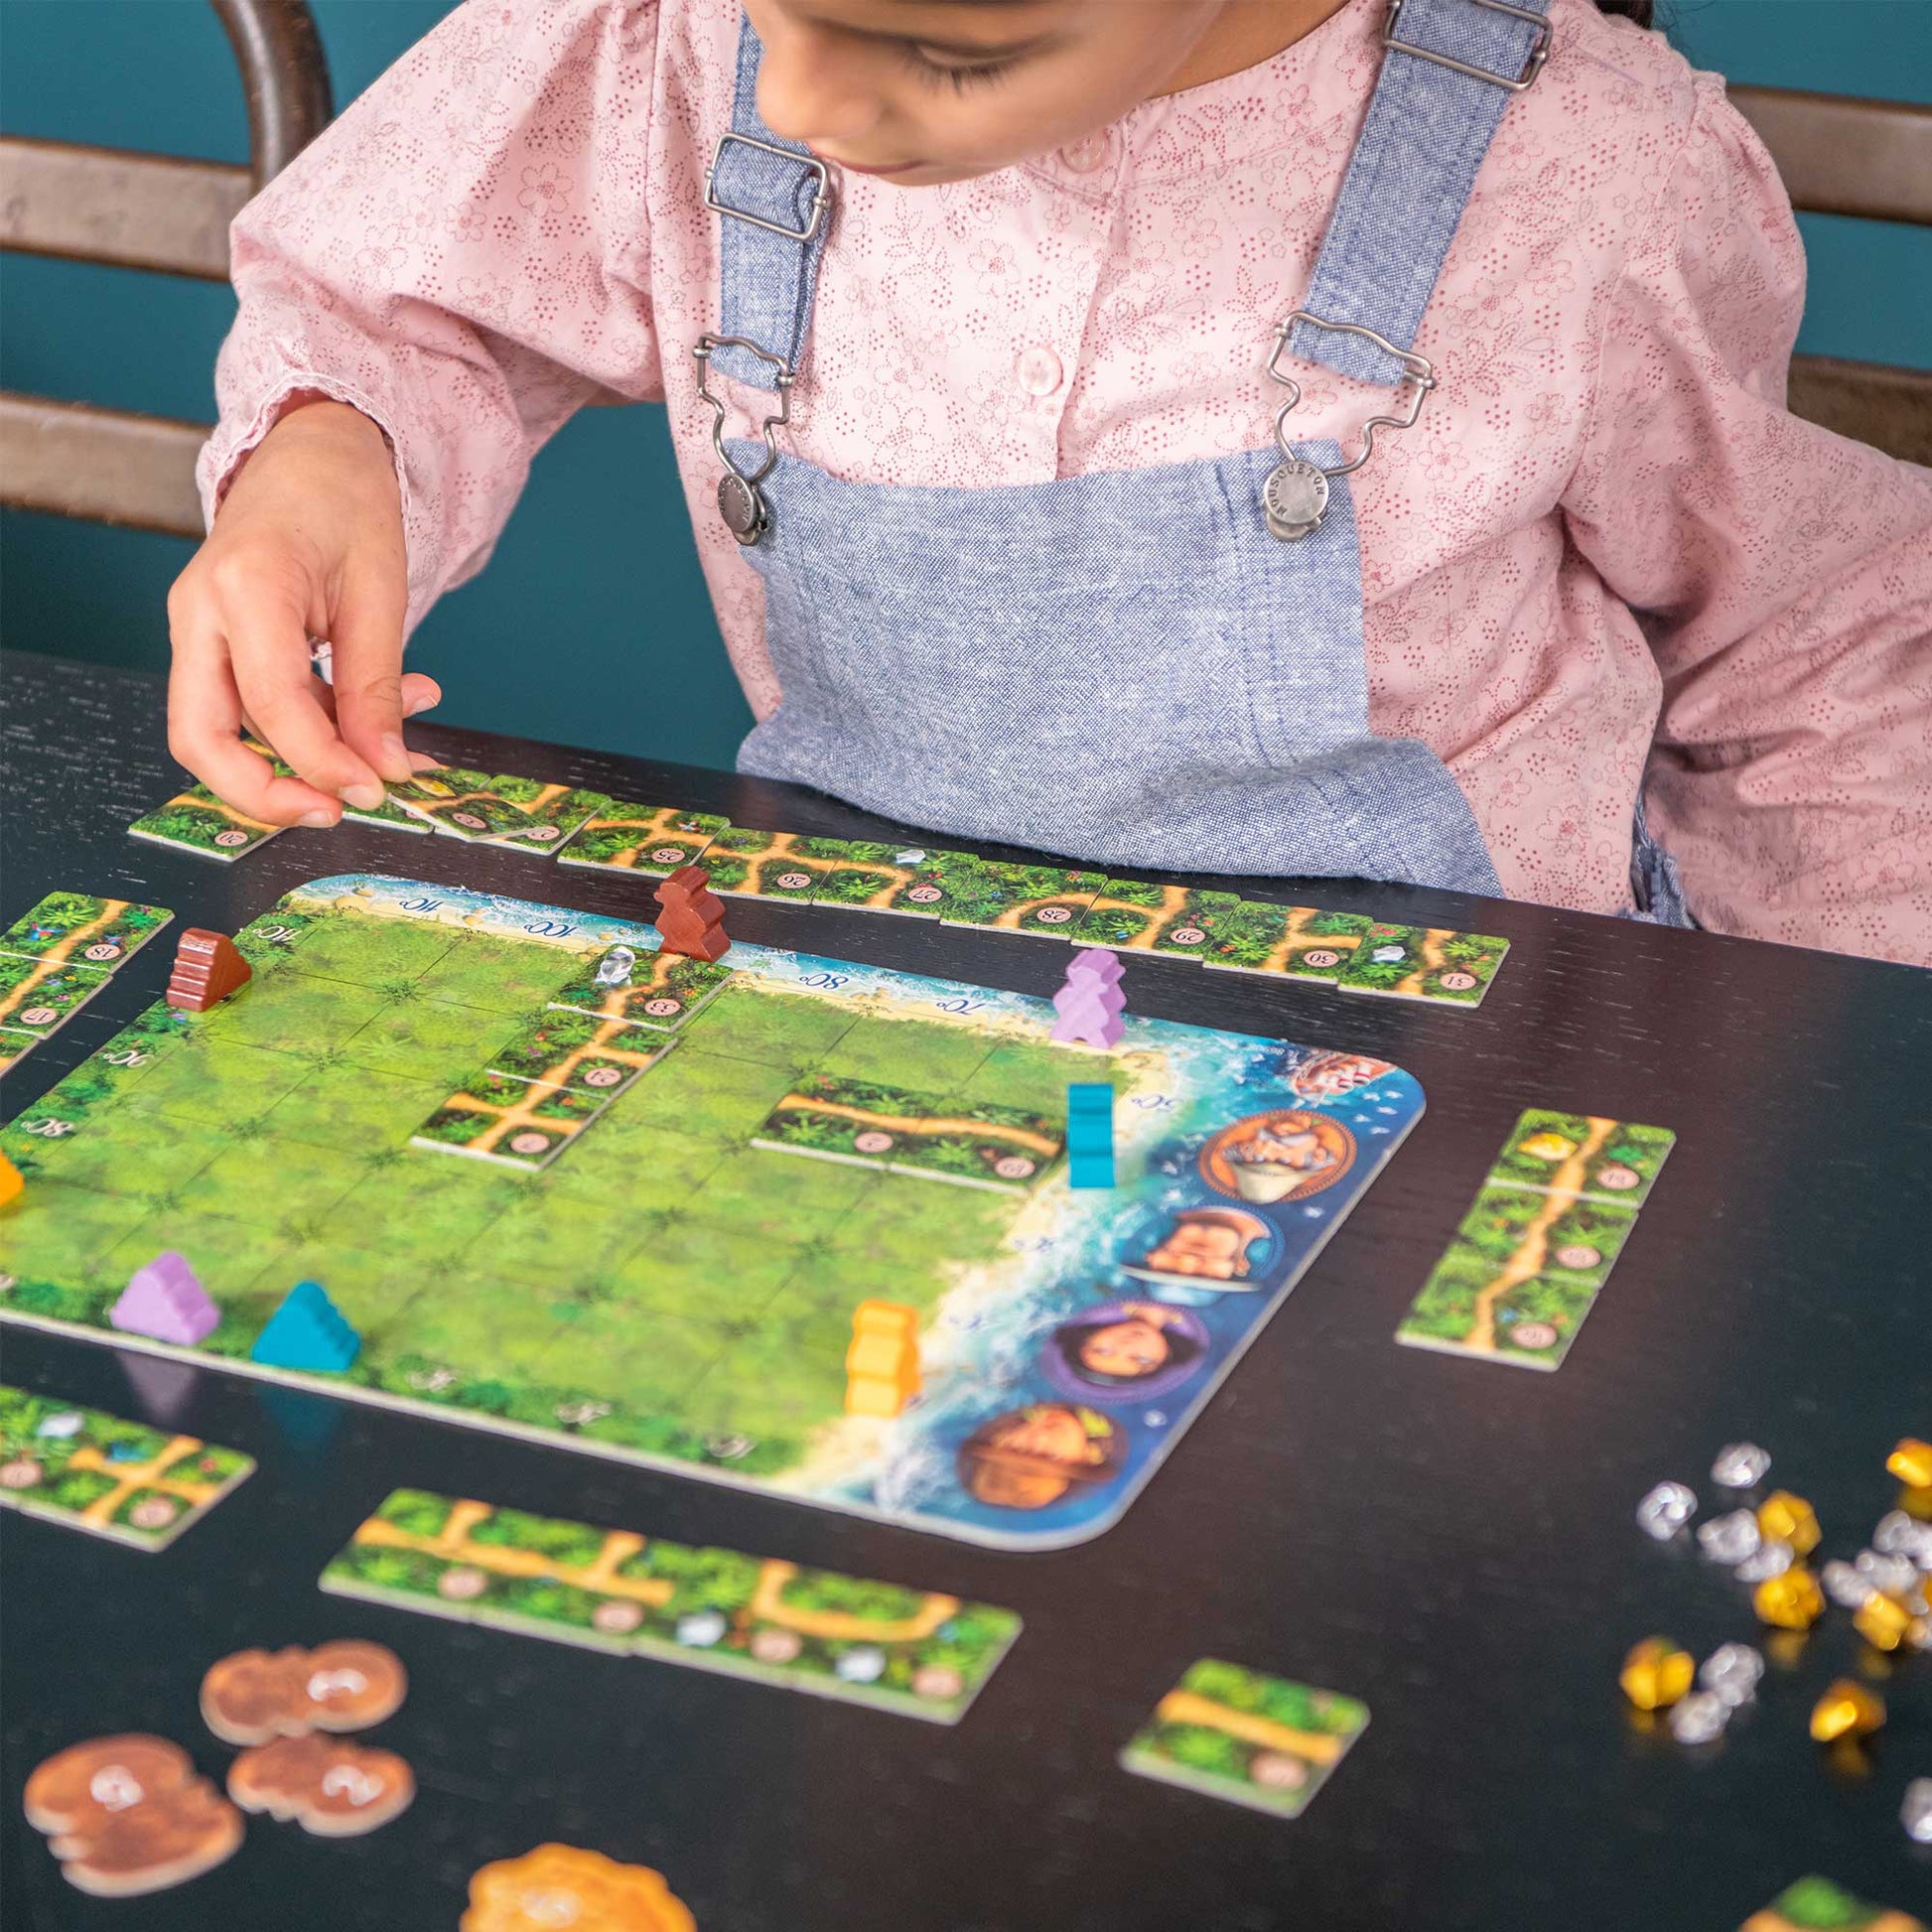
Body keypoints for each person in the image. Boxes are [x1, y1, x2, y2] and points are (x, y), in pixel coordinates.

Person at [169, 0, 1932, 963]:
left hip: (1462, 1071)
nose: (814, 102)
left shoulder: (1582, 187)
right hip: (868, 983)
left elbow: (1820, 646)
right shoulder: (672, 38)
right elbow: (391, 300)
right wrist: (327, 450)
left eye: (949, 53)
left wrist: (1824, 1080)